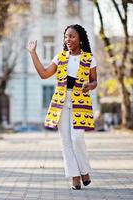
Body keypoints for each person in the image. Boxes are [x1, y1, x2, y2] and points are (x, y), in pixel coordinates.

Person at [27, 24, 97, 190]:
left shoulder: (89, 58)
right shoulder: (60, 57)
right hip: (61, 102)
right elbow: (44, 74)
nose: (68, 39)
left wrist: (90, 85)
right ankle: (75, 177)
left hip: (80, 103)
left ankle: (84, 171)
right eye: (66, 36)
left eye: (72, 36)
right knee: (66, 141)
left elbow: (94, 81)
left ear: (80, 39)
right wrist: (33, 53)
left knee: (77, 138)